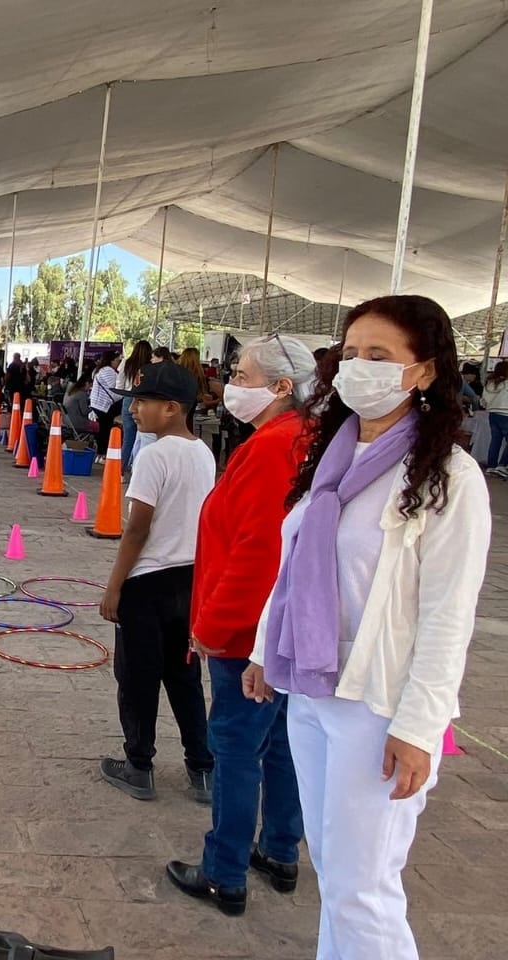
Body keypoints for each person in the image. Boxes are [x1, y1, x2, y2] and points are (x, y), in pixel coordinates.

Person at [245, 295, 490, 958]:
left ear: (424, 372)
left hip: (377, 704)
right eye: (351, 354)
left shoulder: (448, 478)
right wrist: (268, 648)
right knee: (336, 874)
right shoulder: (332, 459)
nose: (359, 367)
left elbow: (448, 612)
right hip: (314, 690)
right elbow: (294, 564)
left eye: (380, 356)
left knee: (364, 888)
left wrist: (417, 727)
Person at [164, 333, 318, 916]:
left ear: (282, 388)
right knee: (277, 741)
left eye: (245, 376)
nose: (232, 384)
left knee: (234, 744)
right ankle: (279, 848)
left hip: (249, 629)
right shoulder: (296, 439)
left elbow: (258, 552)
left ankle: (223, 869)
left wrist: (213, 624)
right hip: (275, 623)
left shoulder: (273, 447)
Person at [97, 361, 216, 804]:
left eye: (143, 403)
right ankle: (201, 767)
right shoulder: (202, 453)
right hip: (189, 580)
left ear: (172, 408)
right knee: (184, 677)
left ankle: (139, 765)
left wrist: (114, 586)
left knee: (137, 678)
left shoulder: (154, 455)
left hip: (148, 582)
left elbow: (137, 528)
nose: (134, 411)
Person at [118, 341, 153, 473]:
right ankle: (138, 470)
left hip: (128, 398)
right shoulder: (151, 366)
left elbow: (119, 386)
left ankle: (119, 470)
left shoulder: (126, 363)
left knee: (128, 438)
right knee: (144, 438)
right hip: (145, 400)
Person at [88, 350, 123, 455]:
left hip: (99, 404)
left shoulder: (101, 370)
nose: (119, 363)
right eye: (118, 360)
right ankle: (103, 452)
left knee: (104, 429)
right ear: (111, 360)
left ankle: (102, 452)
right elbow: (115, 388)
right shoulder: (107, 370)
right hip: (103, 405)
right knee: (105, 429)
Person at [484, 360, 508, 476]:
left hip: (493, 414)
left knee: (495, 441)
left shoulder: (490, 382)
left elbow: (484, 400)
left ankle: (491, 466)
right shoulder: (507, 383)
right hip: (506, 413)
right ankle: (502, 465)